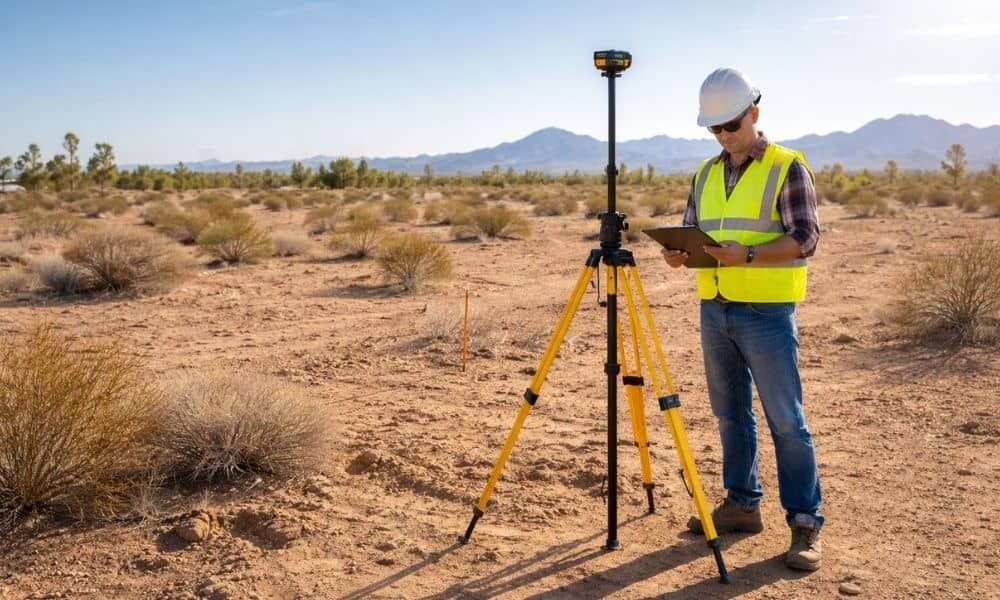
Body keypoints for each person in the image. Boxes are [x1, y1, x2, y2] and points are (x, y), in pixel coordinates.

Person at [661, 67, 824, 571]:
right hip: (715, 308)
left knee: (786, 422)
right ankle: (742, 505)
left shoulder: (786, 166)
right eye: (715, 129)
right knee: (731, 414)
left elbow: (805, 238)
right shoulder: (706, 174)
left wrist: (748, 258)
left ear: (754, 112)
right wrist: (679, 252)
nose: (724, 136)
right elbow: (694, 231)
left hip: (766, 313)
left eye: (731, 124)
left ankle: (804, 523)